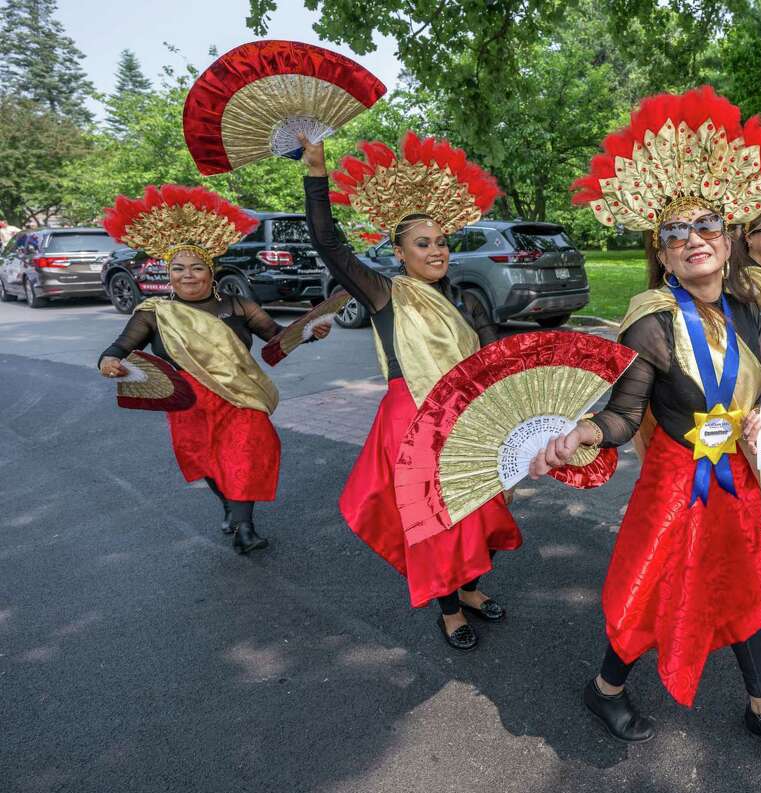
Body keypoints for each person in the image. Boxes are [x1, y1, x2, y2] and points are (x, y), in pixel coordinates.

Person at [539, 86, 761, 763]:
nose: (692, 240)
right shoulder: (651, 319)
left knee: (748, 587)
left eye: (705, 227)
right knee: (649, 588)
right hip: (675, 486)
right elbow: (623, 411)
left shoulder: (753, 309)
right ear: (663, 256)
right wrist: (584, 433)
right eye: (675, 235)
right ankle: (606, 687)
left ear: (727, 241)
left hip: (741, 481)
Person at [297, 132, 521, 652]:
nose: (436, 250)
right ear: (399, 253)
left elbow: (496, 362)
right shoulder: (383, 293)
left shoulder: (466, 298)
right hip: (413, 421)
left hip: (471, 421)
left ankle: (467, 589)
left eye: (442, 241)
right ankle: (447, 608)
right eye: (423, 243)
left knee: (476, 512)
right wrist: (315, 171)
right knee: (434, 521)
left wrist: (512, 423)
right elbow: (328, 242)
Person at [97, 185, 329, 554]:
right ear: (167, 273)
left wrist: (309, 333)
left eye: (196, 268)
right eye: (178, 269)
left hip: (239, 395)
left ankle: (245, 527)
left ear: (212, 270)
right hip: (188, 400)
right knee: (207, 461)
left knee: (247, 451)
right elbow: (120, 348)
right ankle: (228, 505)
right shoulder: (154, 312)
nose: (188, 276)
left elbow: (275, 339)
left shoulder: (238, 306)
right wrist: (110, 362)